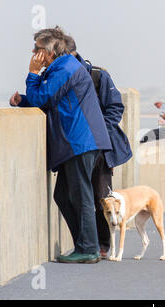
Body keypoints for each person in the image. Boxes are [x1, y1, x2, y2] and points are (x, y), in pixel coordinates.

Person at [10, 26, 111, 263]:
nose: (33, 52)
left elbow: (42, 98)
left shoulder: (64, 68)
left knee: (80, 195)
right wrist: (23, 101)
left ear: (48, 52)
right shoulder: (62, 67)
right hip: (79, 141)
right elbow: (51, 99)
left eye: (36, 48)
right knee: (64, 195)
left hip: (79, 141)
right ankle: (85, 246)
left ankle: (89, 249)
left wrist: (33, 74)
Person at [64, 35, 133, 258]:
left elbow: (115, 108)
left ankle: (103, 245)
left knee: (101, 197)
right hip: (75, 147)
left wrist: (95, 132)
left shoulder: (98, 75)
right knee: (72, 195)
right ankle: (89, 244)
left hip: (101, 148)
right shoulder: (61, 75)